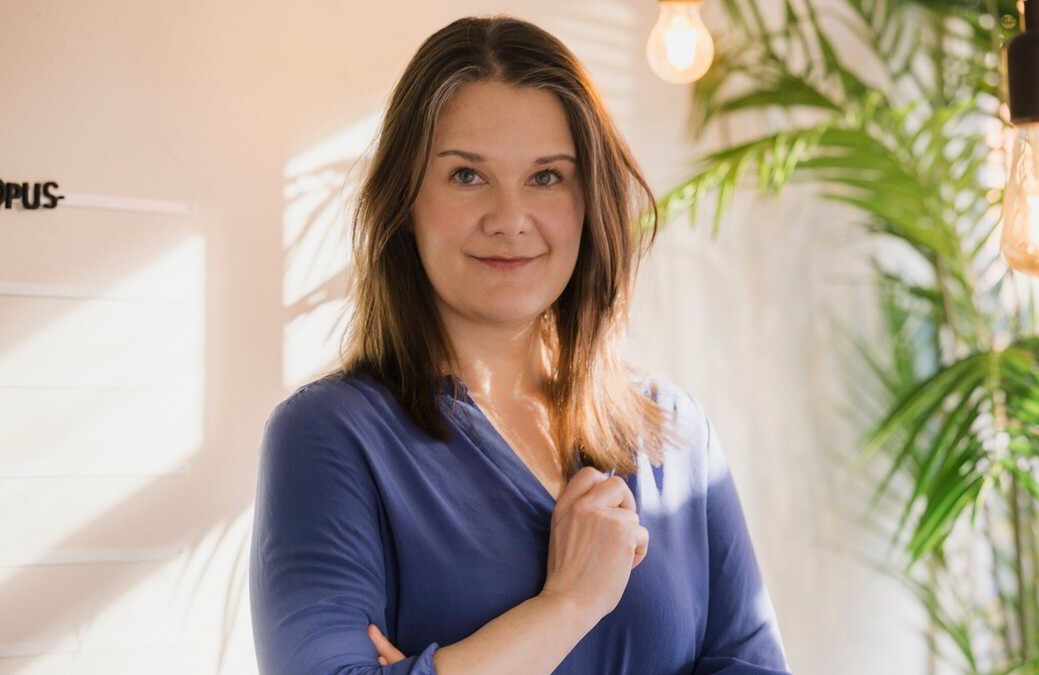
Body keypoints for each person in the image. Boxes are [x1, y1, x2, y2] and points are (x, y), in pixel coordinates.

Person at [248, 14, 790, 675]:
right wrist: (567, 603)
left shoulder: (675, 433)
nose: (509, 219)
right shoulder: (329, 436)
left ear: (589, 202)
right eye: (467, 175)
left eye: (547, 176)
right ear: (405, 200)